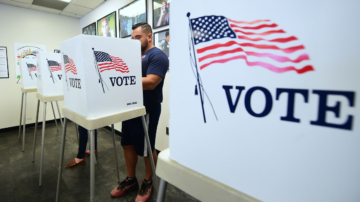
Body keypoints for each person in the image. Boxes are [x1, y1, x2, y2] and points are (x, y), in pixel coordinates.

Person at [110, 22, 168, 202]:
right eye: (132, 38)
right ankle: (130, 179)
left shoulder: (158, 56)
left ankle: (148, 181)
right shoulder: (133, 55)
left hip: (148, 108)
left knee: (147, 148)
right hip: (130, 107)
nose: (134, 41)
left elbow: (151, 82)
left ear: (149, 36)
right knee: (127, 144)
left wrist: (121, 78)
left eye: (138, 37)